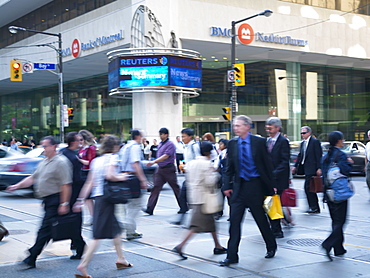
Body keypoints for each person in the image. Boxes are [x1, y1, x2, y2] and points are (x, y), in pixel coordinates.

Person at [219, 115, 277, 267]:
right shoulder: (232, 144)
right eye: (234, 125)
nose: (235, 128)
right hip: (239, 187)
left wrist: (272, 185)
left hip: (255, 186)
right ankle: (232, 255)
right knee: (234, 222)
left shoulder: (259, 142)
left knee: (260, 219)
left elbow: (267, 164)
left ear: (247, 126)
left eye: (238, 125)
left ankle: (271, 246)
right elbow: (228, 167)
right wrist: (226, 186)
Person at [7, 136, 72, 269]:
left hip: (55, 199)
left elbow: (66, 185)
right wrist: (17, 186)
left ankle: (32, 256)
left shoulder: (61, 162)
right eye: (42, 146)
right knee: (49, 230)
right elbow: (33, 178)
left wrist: (64, 203)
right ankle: (81, 247)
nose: (43, 149)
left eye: (45, 146)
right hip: (47, 201)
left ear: (54, 147)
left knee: (45, 230)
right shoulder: (44, 162)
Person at [73, 135, 132, 278]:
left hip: (99, 198)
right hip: (106, 199)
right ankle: (83, 265)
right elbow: (110, 175)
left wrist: (80, 199)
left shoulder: (96, 161)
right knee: (97, 235)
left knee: (115, 229)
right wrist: (122, 177)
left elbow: (89, 183)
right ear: (115, 146)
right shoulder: (112, 158)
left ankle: (121, 258)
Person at [172, 141, 227, 259]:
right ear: (209, 152)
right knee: (196, 226)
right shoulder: (206, 164)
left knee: (211, 224)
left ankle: (218, 246)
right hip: (204, 199)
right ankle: (180, 246)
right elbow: (210, 181)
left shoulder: (191, 163)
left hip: (194, 197)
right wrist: (216, 175)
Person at [321, 131, 353, 261]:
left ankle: (338, 248)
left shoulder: (325, 156)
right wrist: (349, 162)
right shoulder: (341, 155)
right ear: (339, 141)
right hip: (340, 194)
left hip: (328, 193)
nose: (343, 141)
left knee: (335, 220)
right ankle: (327, 244)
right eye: (342, 139)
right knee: (341, 221)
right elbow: (346, 170)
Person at [60, 132, 87, 260]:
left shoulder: (66, 153)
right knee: (75, 220)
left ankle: (76, 243)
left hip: (69, 191)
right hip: (72, 192)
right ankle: (79, 244)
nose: (81, 142)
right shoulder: (71, 156)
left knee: (72, 220)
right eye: (79, 140)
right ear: (73, 142)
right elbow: (76, 177)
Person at [143, 128, 181, 215]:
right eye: (160, 134)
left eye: (162, 134)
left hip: (169, 169)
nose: (160, 136)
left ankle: (183, 206)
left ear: (166, 135)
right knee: (155, 187)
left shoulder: (170, 144)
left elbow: (166, 156)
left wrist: (153, 161)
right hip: (160, 169)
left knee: (175, 188)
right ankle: (150, 208)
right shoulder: (160, 144)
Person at [119, 130, 148, 240]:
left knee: (129, 206)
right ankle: (125, 225)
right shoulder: (135, 147)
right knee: (136, 205)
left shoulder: (126, 146)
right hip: (133, 178)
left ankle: (131, 231)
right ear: (138, 136)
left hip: (125, 177)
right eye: (142, 136)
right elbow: (135, 163)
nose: (142, 138)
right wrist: (142, 179)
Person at [265, 117, 290, 238]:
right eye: (267, 128)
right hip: (269, 178)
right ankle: (275, 226)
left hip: (277, 179)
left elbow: (284, 161)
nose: (268, 130)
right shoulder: (268, 141)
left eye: (270, 128)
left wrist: (273, 173)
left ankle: (276, 229)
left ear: (277, 128)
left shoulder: (283, 141)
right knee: (271, 203)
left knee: (273, 202)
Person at [171, 128, 201, 225]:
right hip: (189, 175)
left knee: (192, 198)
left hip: (195, 176)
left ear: (190, 136)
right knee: (182, 196)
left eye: (184, 136)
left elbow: (198, 160)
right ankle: (182, 216)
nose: (182, 138)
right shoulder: (186, 146)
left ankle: (196, 220)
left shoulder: (194, 146)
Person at [292, 126, 322, 214]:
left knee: (308, 188)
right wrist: (295, 166)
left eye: (304, 133)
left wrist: (319, 168)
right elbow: (300, 156)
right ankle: (313, 207)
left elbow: (318, 155)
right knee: (310, 188)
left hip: (312, 168)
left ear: (309, 133)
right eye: (301, 133)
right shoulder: (303, 143)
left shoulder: (314, 142)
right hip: (305, 168)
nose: (302, 135)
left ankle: (314, 207)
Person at [78, 130, 97, 226]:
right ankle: (92, 215)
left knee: (89, 197)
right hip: (83, 172)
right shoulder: (82, 148)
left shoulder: (90, 148)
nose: (79, 141)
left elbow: (90, 162)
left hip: (89, 172)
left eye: (81, 139)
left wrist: (78, 160)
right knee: (86, 198)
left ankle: (93, 216)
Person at [213, 139, 229, 220]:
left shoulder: (228, 153)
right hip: (221, 176)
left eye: (221, 144)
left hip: (227, 176)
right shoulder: (220, 154)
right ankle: (219, 212)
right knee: (220, 195)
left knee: (228, 196)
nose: (219, 146)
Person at [365, 130, 370, 194]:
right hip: (369, 163)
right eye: (369, 135)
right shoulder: (368, 144)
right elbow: (366, 155)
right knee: (368, 179)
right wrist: (365, 165)